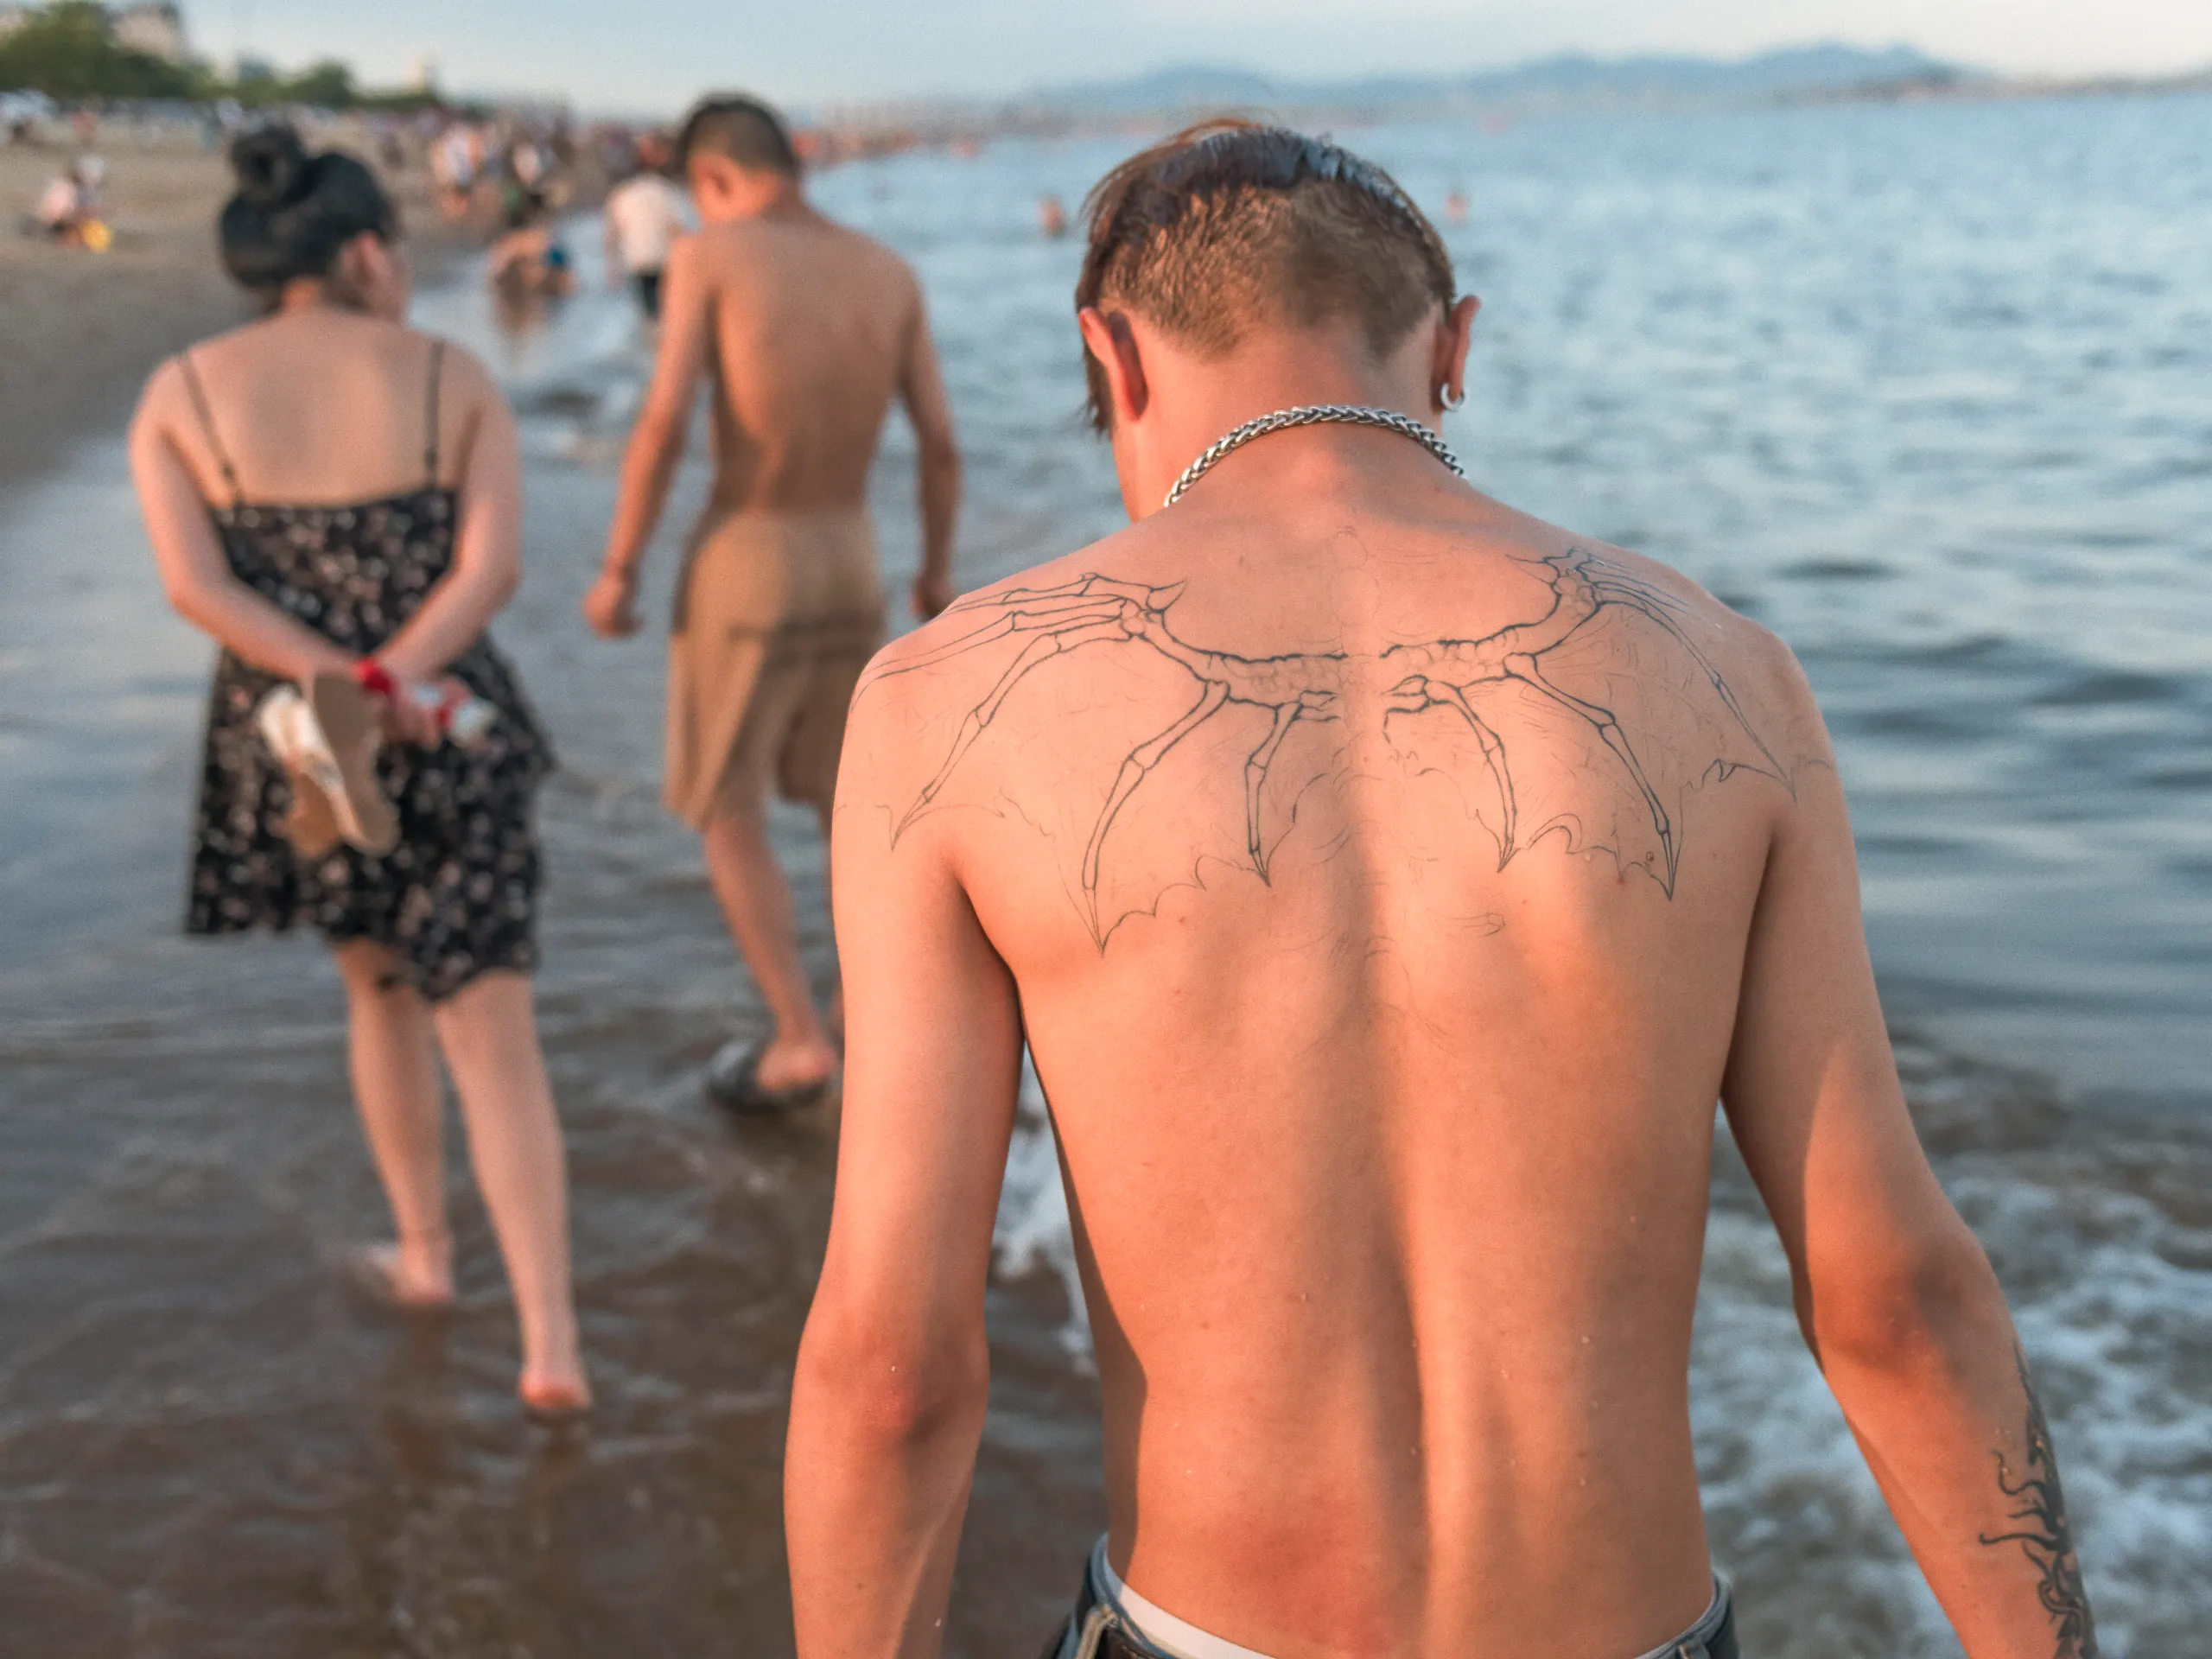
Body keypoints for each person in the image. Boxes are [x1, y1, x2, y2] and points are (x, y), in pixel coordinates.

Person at [785, 123, 2099, 1657]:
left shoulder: (950, 703)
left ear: (1113, 360)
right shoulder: (1723, 674)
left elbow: (895, 1370)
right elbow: (1896, 1301)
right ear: (1454, 350)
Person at [128, 125, 588, 1419]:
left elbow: (193, 587)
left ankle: (430, 1263)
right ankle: (552, 1344)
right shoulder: (453, 374)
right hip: (446, 715)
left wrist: (339, 694)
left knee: (378, 991)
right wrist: (396, 685)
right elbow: (487, 572)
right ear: (371, 250)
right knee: (493, 1030)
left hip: (299, 738)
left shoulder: (183, 393)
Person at [582, 92, 961, 1112]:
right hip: (853, 560)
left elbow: (662, 425)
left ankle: (800, 1038)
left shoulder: (710, 258)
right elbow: (939, 442)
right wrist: (936, 570)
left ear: (711, 178)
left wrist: (619, 567)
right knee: (849, 813)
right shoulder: (888, 271)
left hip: (748, 558)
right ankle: (858, 1005)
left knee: (727, 809)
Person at [602, 132, 690, 321]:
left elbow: (612, 234)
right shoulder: (667, 192)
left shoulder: (623, 194)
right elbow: (678, 232)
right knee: (666, 314)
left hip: (637, 261)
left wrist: (612, 270)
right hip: (663, 261)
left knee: (647, 314)